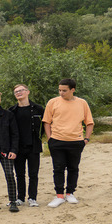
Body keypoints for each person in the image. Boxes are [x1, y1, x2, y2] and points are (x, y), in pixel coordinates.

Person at [43, 77, 95, 206]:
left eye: (64, 90)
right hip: (57, 141)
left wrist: (86, 139)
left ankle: (70, 193)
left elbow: (89, 122)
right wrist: (50, 138)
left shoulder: (82, 103)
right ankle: (59, 196)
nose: (61, 93)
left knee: (73, 168)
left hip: (76, 141)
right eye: (60, 90)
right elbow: (46, 122)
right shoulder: (52, 102)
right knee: (58, 168)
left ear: (73, 90)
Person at [9, 84, 45, 207]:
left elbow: (45, 126)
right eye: (16, 92)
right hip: (17, 147)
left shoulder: (38, 109)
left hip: (33, 146)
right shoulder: (11, 111)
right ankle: (20, 198)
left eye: (21, 91)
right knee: (19, 174)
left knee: (33, 174)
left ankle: (32, 198)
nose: (18, 93)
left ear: (27, 92)